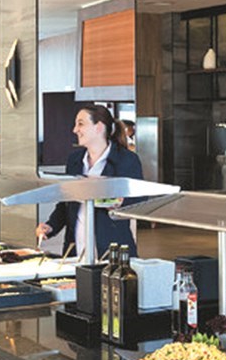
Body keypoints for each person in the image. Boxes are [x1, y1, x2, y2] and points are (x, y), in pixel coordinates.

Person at [35, 103, 144, 262]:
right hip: (76, 250)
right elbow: (67, 202)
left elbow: (140, 198)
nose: (75, 130)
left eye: (81, 124)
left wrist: (119, 202)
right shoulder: (74, 160)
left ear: (99, 127)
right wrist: (51, 226)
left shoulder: (126, 160)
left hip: (112, 251)